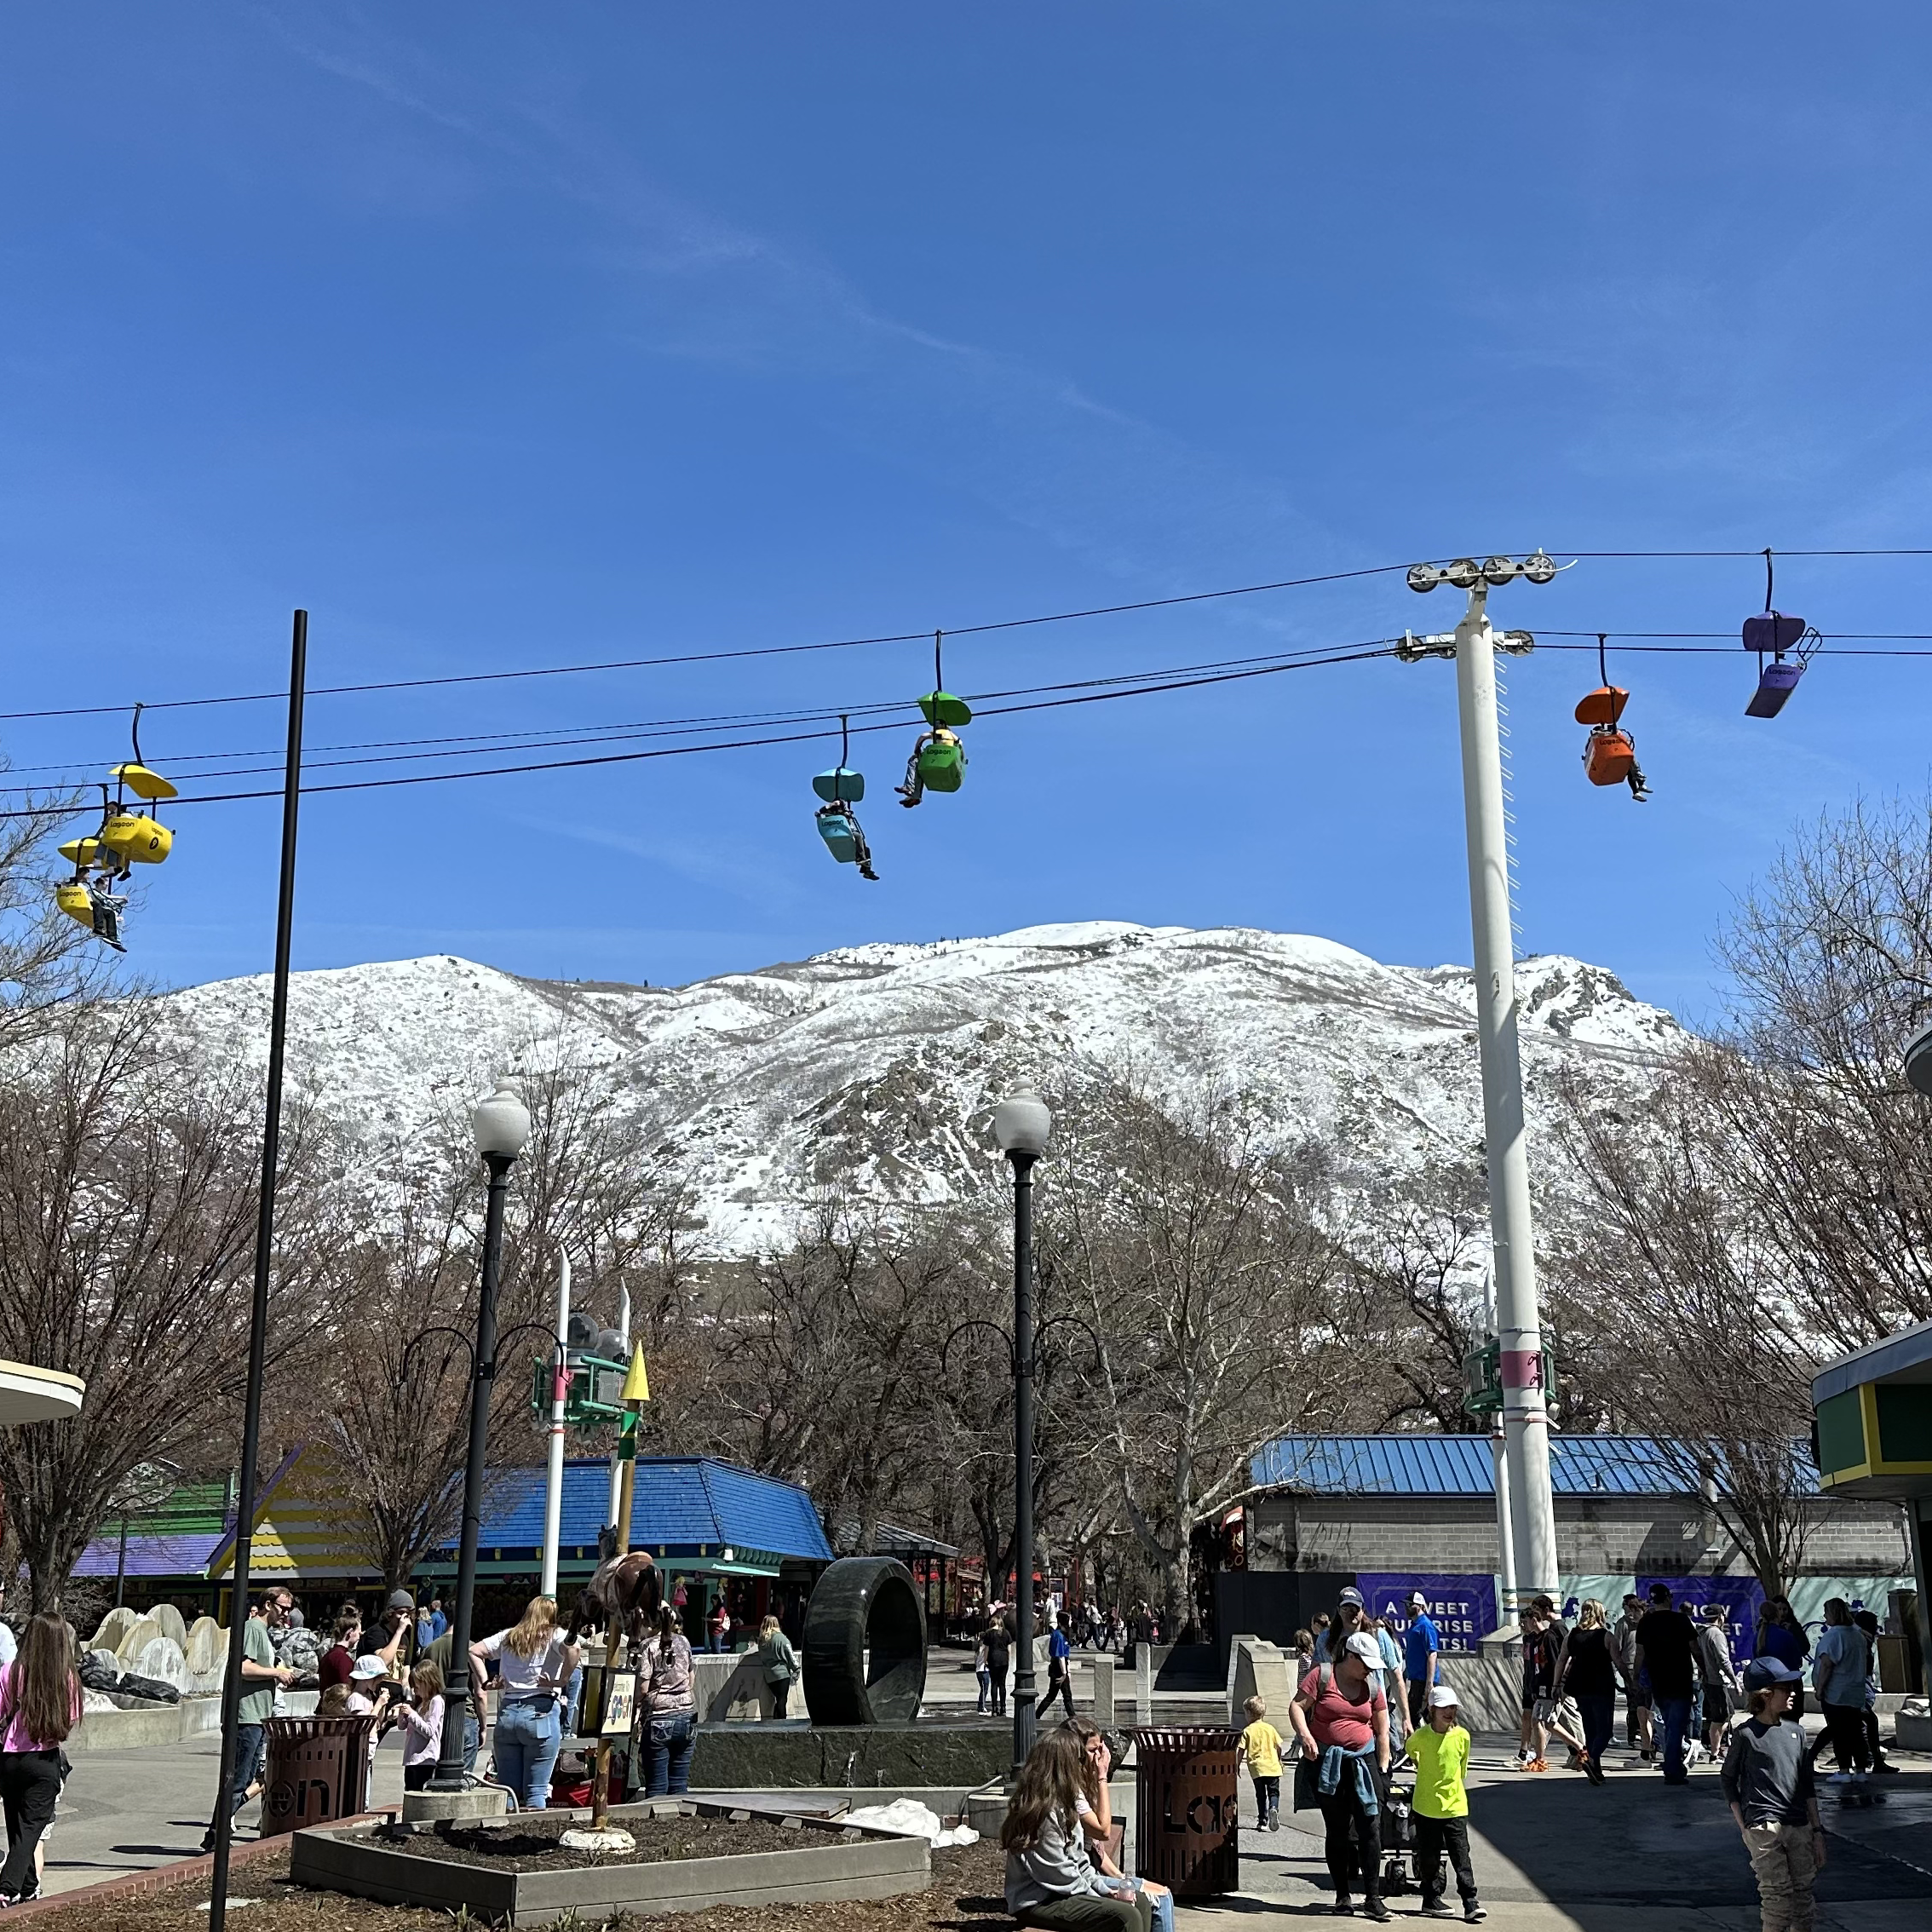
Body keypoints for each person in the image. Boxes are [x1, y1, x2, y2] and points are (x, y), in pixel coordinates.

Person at [1289, 1629, 1393, 1923]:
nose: (1370, 1670)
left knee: (1370, 1827)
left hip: (1364, 1761)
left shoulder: (1372, 1684)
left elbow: (1381, 1722)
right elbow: (1296, 1706)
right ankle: (1342, 1896)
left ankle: (1373, 1898)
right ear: (1350, 1656)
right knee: (1337, 1830)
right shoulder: (1322, 1675)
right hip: (1328, 1763)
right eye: (1366, 1663)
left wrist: (1383, 1761)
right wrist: (1306, 1736)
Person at [1003, 1728, 1151, 1932]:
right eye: (1078, 1759)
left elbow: (1080, 1861)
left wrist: (1105, 1890)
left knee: (1139, 1901)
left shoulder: (1066, 1802)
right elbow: (1058, 1875)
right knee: (1125, 1916)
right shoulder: (1040, 1813)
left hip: (1064, 1893)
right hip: (1038, 1901)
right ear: (1063, 1766)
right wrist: (1099, 1896)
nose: (1083, 1765)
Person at [1722, 1657, 1825, 1932]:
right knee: (1777, 1897)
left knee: (1803, 1897)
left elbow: (1806, 1785)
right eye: (1785, 1688)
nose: (1793, 1692)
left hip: (1799, 1825)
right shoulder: (1746, 1735)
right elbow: (1728, 1778)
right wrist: (1744, 1825)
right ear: (1766, 1695)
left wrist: (1817, 1831)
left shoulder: (1796, 1733)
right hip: (1764, 1826)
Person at [201, 1592, 296, 1851]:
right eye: (283, 1608)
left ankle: (214, 1832)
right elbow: (243, 1668)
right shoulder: (253, 1628)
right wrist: (278, 1672)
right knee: (237, 1780)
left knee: (243, 1780)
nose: (286, 1614)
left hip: (257, 1716)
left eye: (289, 1610)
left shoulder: (262, 1632)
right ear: (268, 1605)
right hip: (246, 1717)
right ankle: (219, 1837)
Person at [0, 1616, 81, 1906]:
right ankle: (7, 1888)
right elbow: (69, 1719)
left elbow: (2, 1709)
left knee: (17, 1828)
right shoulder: (67, 1678)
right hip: (44, 1757)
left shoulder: (10, 1671)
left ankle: (29, 1886)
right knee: (31, 1829)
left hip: (9, 1758)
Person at [471, 1595, 578, 1813]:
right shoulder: (555, 1634)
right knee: (536, 1790)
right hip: (541, 1711)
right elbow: (574, 1650)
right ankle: (526, 1833)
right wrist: (562, 1680)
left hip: (508, 1713)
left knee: (509, 1789)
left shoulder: (509, 1635)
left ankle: (505, 1827)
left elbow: (475, 1651)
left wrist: (486, 1682)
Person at [1068, 1721, 1173, 1932]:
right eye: (1092, 1750)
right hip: (1081, 1881)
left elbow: (1096, 1847)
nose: (1099, 1756)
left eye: (1101, 1748)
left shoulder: (1084, 1785)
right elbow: (1103, 1831)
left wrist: (1122, 1878)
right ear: (1075, 1754)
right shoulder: (1072, 1791)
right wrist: (1101, 1776)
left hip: (1092, 1873)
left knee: (1163, 1894)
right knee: (1158, 1901)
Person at [1406, 1684, 1483, 1923]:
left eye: (1453, 1707)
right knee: (1429, 1857)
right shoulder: (1421, 1737)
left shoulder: (1462, 1736)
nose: (1449, 1712)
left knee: (1461, 1855)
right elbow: (1411, 1751)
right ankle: (1430, 1898)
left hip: (1455, 1806)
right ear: (1431, 1710)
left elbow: (1461, 1769)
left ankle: (1470, 1902)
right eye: (1443, 1708)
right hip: (1426, 1806)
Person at [1633, 1583, 1698, 1785]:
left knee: (1669, 1722)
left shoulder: (1646, 1622)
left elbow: (1640, 1653)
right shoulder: (1681, 1620)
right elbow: (1694, 1647)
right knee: (1675, 1726)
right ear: (1669, 1598)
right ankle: (1672, 1768)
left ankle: (1673, 1765)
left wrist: (1635, 1677)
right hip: (1680, 1679)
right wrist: (1703, 1668)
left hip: (1658, 1680)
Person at [1550, 1598, 1615, 1785]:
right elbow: (1618, 1660)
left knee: (1591, 1729)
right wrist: (1629, 1681)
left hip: (1580, 1687)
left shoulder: (1572, 1635)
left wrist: (1556, 1685)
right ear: (1600, 1614)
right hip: (1602, 1687)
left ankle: (1597, 1771)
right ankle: (1591, 1759)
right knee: (1605, 1731)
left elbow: (1561, 1661)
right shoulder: (1606, 1636)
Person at [637, 1602, 699, 1796]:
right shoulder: (683, 1642)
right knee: (679, 1782)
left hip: (659, 1716)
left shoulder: (648, 1646)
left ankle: (655, 1822)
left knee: (656, 1784)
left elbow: (643, 1687)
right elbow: (691, 1678)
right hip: (687, 1715)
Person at [1808, 1598, 1870, 1787]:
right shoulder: (1858, 1635)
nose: (1825, 1616)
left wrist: (1820, 1689)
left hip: (1836, 1692)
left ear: (1833, 1613)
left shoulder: (1833, 1636)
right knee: (1856, 1732)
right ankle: (1860, 1770)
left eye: (1826, 1612)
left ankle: (1844, 1770)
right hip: (1855, 1692)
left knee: (1839, 1732)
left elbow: (1827, 1665)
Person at [1850, 1611, 1896, 1774]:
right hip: (1859, 1686)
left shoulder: (1863, 1638)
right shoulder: (1860, 1639)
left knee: (1862, 1723)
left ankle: (1871, 1759)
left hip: (1862, 1685)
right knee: (1865, 1722)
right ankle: (1869, 1760)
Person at [1695, 1603, 1740, 1763]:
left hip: (1708, 1680)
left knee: (1726, 1714)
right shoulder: (1716, 1634)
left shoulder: (1701, 1633)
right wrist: (1735, 1681)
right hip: (1716, 1681)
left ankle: (1718, 1749)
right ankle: (1714, 1753)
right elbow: (1723, 1660)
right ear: (1721, 1616)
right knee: (1720, 1718)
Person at [1612, 1595, 1654, 1760]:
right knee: (1634, 1703)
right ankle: (1634, 1735)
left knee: (1646, 1707)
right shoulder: (1623, 1624)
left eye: (1633, 1610)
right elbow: (1618, 1647)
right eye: (1627, 1609)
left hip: (1647, 1669)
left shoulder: (1648, 1624)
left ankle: (1646, 1738)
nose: (1630, 1614)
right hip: (1631, 1668)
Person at [395, 1659, 446, 1791]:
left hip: (425, 1760)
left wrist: (412, 1715)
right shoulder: (420, 1703)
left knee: (420, 1794)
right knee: (410, 1792)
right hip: (412, 1758)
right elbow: (402, 1727)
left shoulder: (436, 1701)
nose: (415, 1689)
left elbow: (429, 1731)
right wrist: (403, 1714)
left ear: (428, 1682)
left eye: (417, 1685)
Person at [1756, 1599, 1810, 1721]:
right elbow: (1798, 1660)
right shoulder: (1786, 1635)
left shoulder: (1759, 1636)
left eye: (1784, 1609)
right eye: (1779, 1609)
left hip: (1766, 1685)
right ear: (1776, 1614)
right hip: (1787, 1682)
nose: (1783, 1613)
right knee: (1790, 1720)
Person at [1239, 1694, 1285, 1831]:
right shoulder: (1270, 1729)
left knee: (1260, 1795)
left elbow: (1241, 1749)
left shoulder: (1247, 1731)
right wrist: (1279, 1760)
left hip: (1257, 1769)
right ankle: (1273, 1808)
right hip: (1273, 1767)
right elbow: (1279, 1746)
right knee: (1274, 1793)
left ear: (1248, 1713)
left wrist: (1237, 1765)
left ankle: (1262, 1821)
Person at [344, 1653, 395, 1772]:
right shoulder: (356, 1698)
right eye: (377, 1677)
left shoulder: (368, 1696)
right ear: (366, 1677)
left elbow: (376, 1724)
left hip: (367, 1752)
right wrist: (378, 1705)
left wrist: (383, 1706)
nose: (380, 1681)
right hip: (357, 1753)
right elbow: (364, 1725)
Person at [1403, 1591, 1440, 1732]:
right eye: (1405, 1605)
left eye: (1409, 1605)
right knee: (1419, 1714)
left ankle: (1422, 1745)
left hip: (1424, 1680)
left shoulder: (1425, 1626)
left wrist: (1429, 1684)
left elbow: (1432, 1654)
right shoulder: (1414, 1625)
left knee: (1418, 1714)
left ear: (1419, 1606)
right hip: (1416, 1679)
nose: (1406, 1608)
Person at [756, 1613, 799, 1719]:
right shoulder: (780, 1638)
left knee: (778, 1699)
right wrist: (796, 1668)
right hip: (782, 1674)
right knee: (782, 1700)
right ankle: (781, 1723)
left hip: (769, 1675)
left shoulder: (762, 1641)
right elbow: (789, 1653)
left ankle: (776, 1721)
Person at [319, 1607, 362, 1692]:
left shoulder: (329, 1655)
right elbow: (345, 1689)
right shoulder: (342, 1659)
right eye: (358, 1633)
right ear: (350, 1633)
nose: (359, 1637)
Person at [1044, 1616, 1076, 1720]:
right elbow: (1061, 1656)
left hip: (1059, 1665)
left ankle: (1037, 1714)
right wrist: (1065, 1673)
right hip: (1059, 1667)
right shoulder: (1059, 1636)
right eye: (1069, 1619)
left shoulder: (1059, 1634)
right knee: (1066, 1695)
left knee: (1053, 1695)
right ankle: (1073, 1717)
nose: (1071, 1621)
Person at [986, 1614, 1013, 1718]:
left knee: (994, 1683)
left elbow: (986, 1649)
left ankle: (994, 1708)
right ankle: (1003, 1708)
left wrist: (984, 1661)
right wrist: (1008, 1659)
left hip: (993, 1659)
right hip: (1003, 1660)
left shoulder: (989, 1634)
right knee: (1002, 1684)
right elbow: (1009, 1649)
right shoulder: (1006, 1633)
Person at [975, 1627, 994, 1715]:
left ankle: (980, 1705)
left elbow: (976, 1659)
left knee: (983, 1689)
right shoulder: (984, 1647)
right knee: (984, 1689)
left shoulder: (978, 1646)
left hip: (979, 1670)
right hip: (984, 1669)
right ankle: (981, 1706)